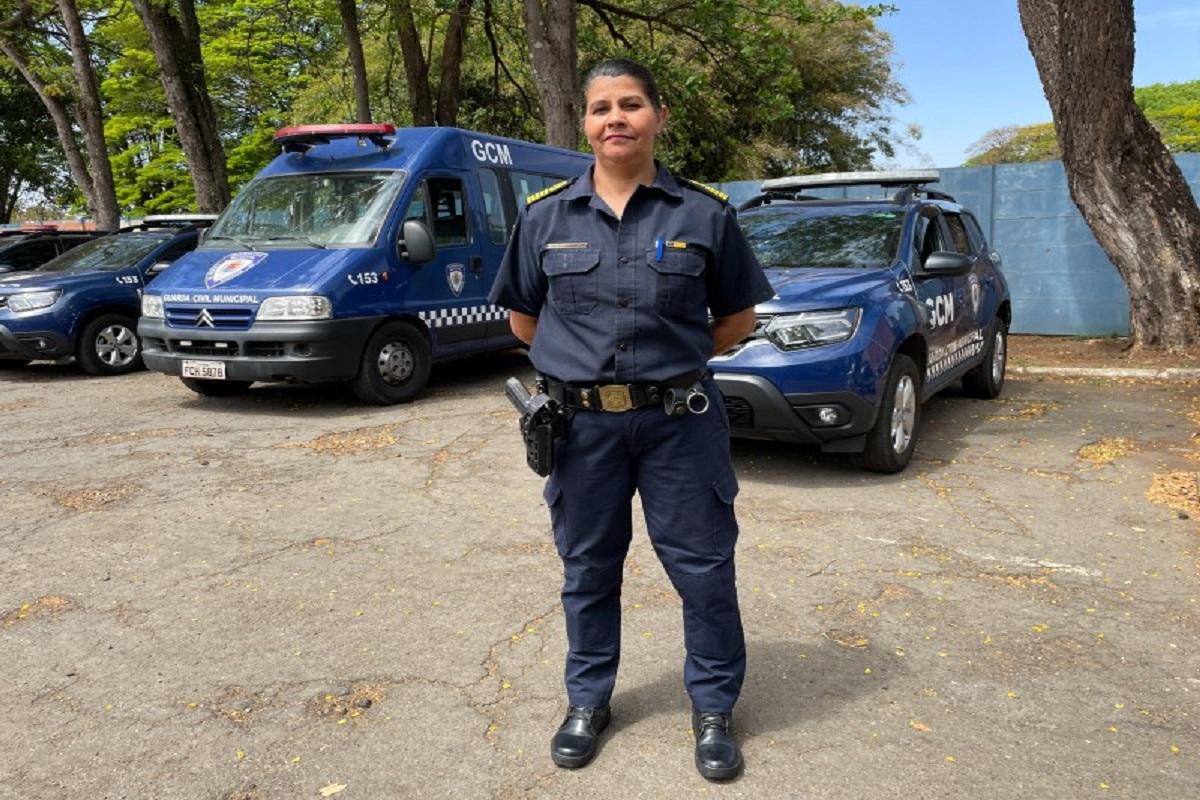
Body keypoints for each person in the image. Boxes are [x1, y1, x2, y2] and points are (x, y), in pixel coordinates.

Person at [488, 57, 774, 781]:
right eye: (600, 108)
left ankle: (712, 711)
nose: (615, 118)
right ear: (584, 123)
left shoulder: (704, 213)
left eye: (631, 105)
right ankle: (588, 701)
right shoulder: (544, 216)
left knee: (705, 571)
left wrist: (669, 366)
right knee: (587, 569)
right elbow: (526, 320)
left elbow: (737, 317)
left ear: (658, 116)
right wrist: (588, 375)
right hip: (582, 431)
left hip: (681, 423)